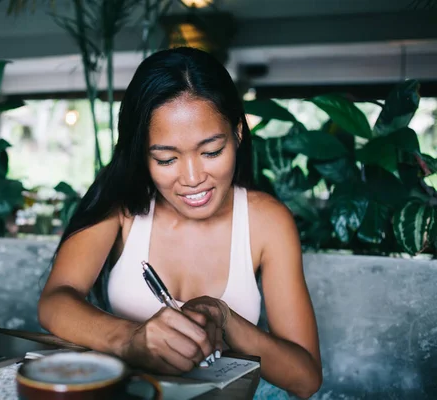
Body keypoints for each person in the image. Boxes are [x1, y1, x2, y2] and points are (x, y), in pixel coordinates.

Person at [38, 46, 322, 399]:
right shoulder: (124, 204)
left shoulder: (267, 222)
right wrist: (131, 340)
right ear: (143, 153)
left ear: (237, 133)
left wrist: (226, 318)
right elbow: (55, 300)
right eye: (167, 158)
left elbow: (306, 378)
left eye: (211, 152)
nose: (191, 178)